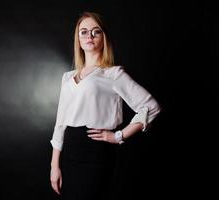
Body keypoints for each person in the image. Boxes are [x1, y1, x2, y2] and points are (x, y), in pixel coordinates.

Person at [49, 11, 161, 200]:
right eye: (83, 32)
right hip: (69, 151)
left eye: (96, 31)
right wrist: (54, 166)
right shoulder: (67, 78)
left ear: (103, 37)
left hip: (95, 152)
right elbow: (60, 123)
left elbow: (151, 106)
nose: (89, 36)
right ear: (78, 38)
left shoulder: (112, 74)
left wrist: (119, 136)